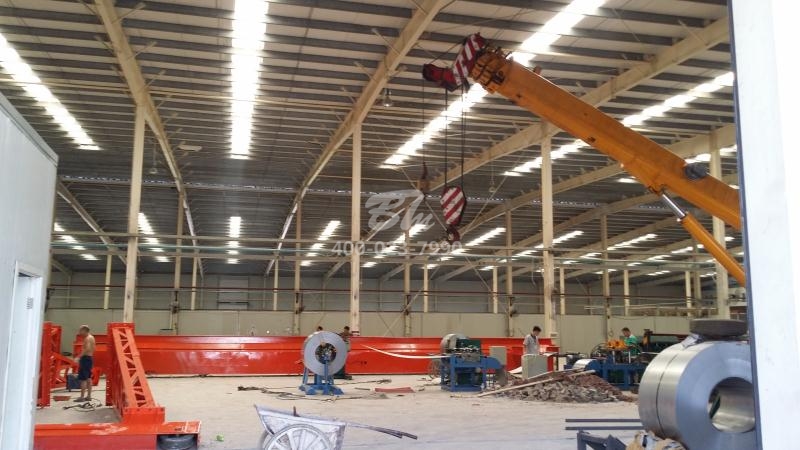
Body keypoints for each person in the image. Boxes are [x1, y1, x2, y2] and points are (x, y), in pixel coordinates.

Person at [75, 325, 95, 402]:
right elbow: (93, 348)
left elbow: (87, 348)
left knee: (83, 379)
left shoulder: (87, 338)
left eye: (80, 330)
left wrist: (79, 357)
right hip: (89, 358)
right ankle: (88, 396)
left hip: (85, 359)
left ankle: (82, 397)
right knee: (88, 378)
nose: (79, 332)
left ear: (84, 330)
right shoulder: (92, 337)